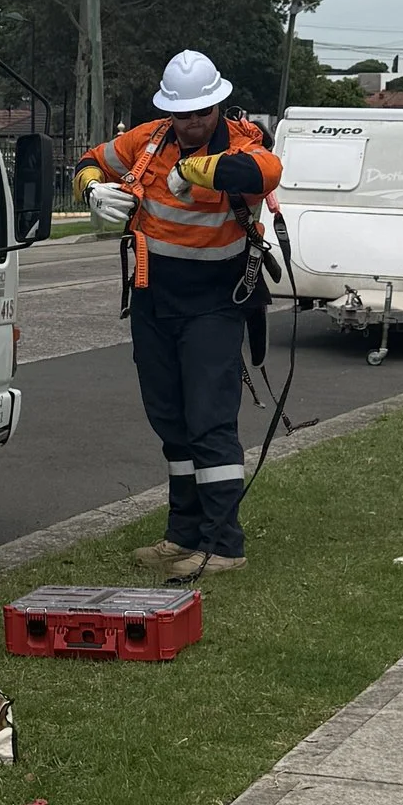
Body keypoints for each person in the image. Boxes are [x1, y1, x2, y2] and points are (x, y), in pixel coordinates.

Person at [78, 49, 282, 583]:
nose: (192, 123)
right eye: (183, 114)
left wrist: (194, 170)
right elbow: (92, 158)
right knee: (170, 420)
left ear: (218, 105)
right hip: (153, 298)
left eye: (202, 113)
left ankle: (223, 544)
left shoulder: (242, 141)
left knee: (210, 422)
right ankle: (183, 534)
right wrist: (92, 190)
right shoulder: (147, 139)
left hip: (215, 302)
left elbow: (264, 172)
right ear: (169, 111)